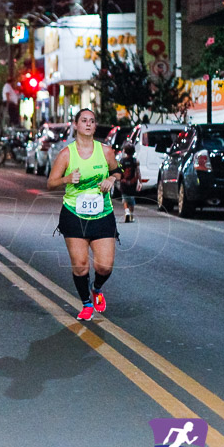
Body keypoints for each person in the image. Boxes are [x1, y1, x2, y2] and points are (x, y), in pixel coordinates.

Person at [47, 108, 121, 321]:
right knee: (80, 266)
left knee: (104, 266)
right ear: (76, 125)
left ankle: (96, 288)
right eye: (84, 120)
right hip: (74, 214)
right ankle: (86, 304)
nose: (88, 124)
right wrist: (66, 179)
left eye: (92, 121)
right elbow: (51, 183)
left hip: (102, 214)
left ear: (95, 126)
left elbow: (119, 170)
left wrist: (112, 179)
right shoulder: (66, 154)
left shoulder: (106, 151)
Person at [118, 143, 139, 223]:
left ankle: (126, 211)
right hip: (132, 183)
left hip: (124, 182)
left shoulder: (122, 161)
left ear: (125, 151)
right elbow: (137, 172)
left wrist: (120, 180)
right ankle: (131, 214)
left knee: (125, 198)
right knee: (131, 200)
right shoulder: (135, 161)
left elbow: (119, 172)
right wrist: (139, 181)